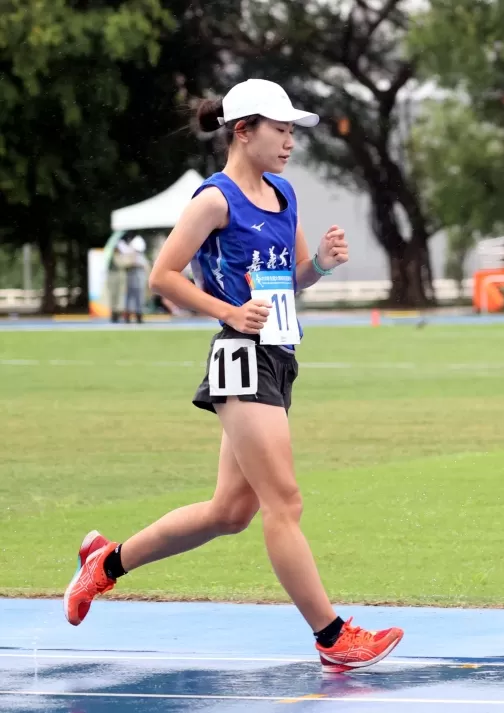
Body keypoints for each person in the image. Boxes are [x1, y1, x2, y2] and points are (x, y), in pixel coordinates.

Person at [63, 78, 404, 673]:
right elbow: (163, 277)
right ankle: (332, 638)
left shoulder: (284, 193)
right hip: (241, 358)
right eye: (280, 129)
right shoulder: (213, 200)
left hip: (279, 355)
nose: (290, 140)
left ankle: (105, 562)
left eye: (293, 130)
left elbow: (291, 279)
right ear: (242, 130)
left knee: (230, 513)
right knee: (284, 502)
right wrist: (227, 312)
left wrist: (320, 262)